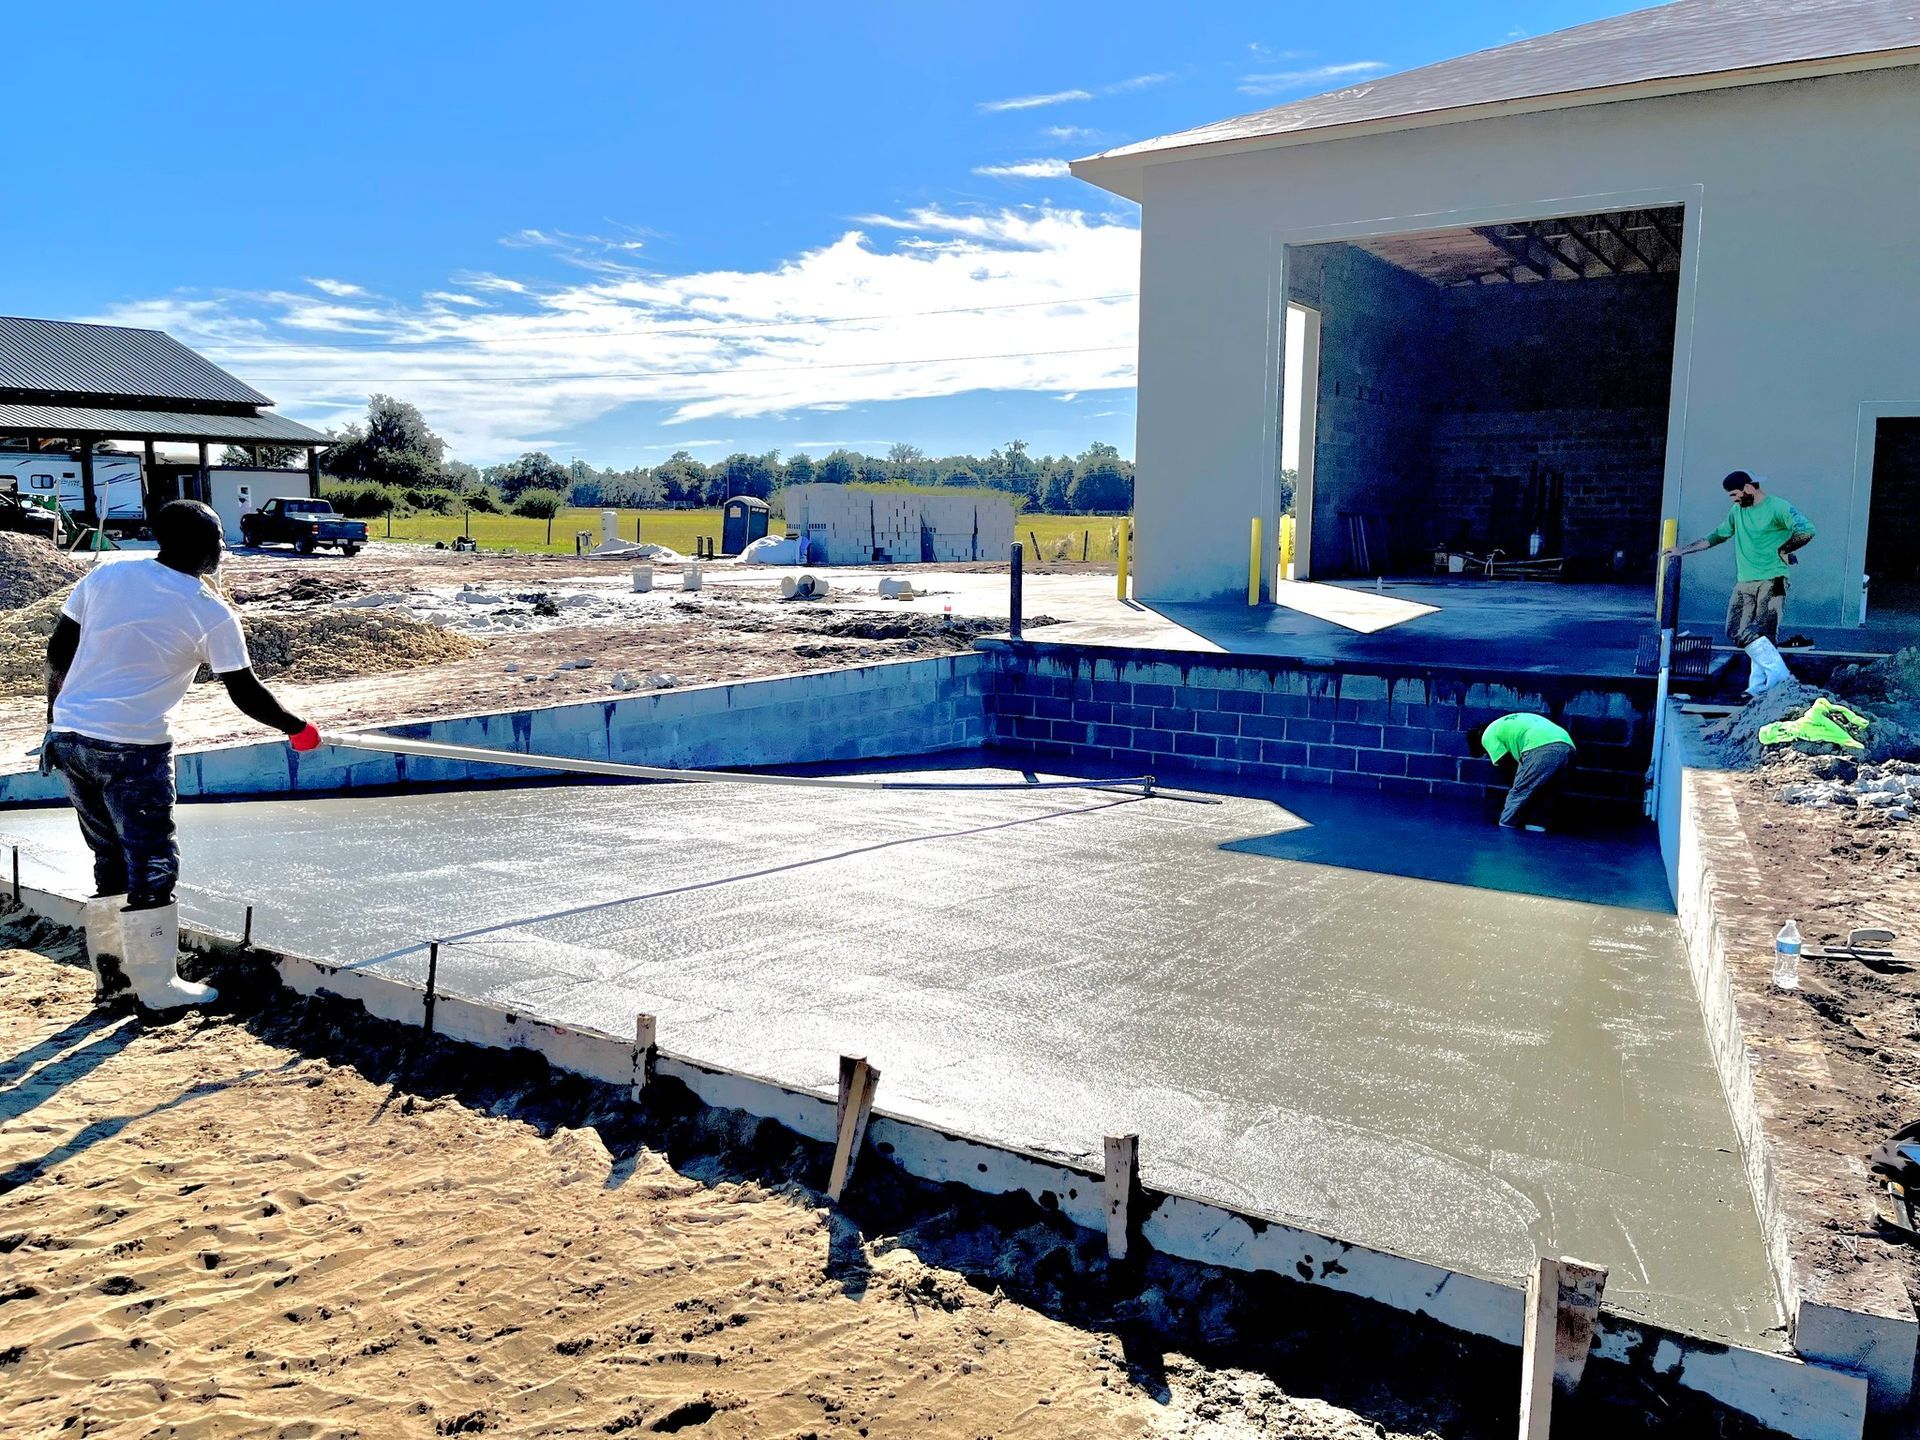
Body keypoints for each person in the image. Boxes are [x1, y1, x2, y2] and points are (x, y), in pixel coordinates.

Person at [42, 500, 321, 1010]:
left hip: (72, 738)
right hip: (131, 748)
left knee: (109, 858)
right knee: (151, 863)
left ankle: (115, 981)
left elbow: (59, 651)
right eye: (216, 538)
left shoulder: (107, 578)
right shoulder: (208, 611)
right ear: (195, 544)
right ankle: (156, 988)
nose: (222, 547)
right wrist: (297, 728)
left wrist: (52, 722)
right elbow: (244, 691)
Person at [1665, 471, 1816, 698]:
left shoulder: (1777, 507)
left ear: (1748, 487)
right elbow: (1716, 535)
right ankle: (1768, 682)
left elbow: (1807, 529)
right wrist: (1682, 550)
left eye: (1735, 494)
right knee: (1736, 630)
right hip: (1745, 580)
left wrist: (1785, 549)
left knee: (1763, 633)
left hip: (1773, 579)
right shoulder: (1738, 511)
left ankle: (1770, 682)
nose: (1733, 499)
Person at [1469, 713, 1576, 831]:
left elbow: (1507, 766)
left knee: (1518, 794)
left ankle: (1505, 834)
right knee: (1544, 794)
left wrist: (1513, 790)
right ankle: (1535, 831)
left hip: (1541, 748)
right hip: (1568, 746)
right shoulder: (1505, 722)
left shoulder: (1487, 736)